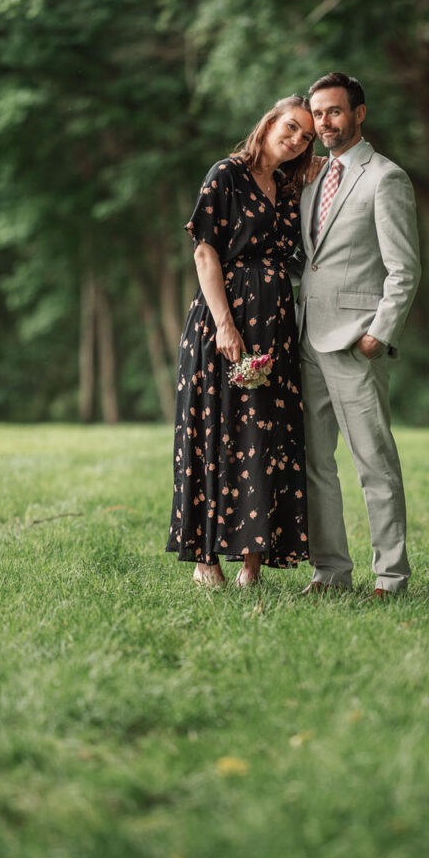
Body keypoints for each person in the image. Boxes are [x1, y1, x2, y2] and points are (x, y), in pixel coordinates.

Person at [166, 96, 316, 588]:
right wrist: (226, 325)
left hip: (274, 321)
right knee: (214, 432)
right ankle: (206, 559)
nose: (296, 140)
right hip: (221, 320)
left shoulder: (292, 185)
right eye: (291, 127)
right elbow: (205, 252)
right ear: (269, 121)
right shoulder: (225, 174)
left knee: (267, 436)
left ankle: (252, 564)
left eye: (306, 137)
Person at [297, 72, 421, 599]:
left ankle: (390, 578)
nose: (325, 122)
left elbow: (404, 269)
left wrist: (377, 335)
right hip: (306, 340)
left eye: (335, 111)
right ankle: (330, 572)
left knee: (374, 462)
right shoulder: (309, 180)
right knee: (315, 464)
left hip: (355, 342)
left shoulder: (385, 178)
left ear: (359, 114)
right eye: (318, 113)